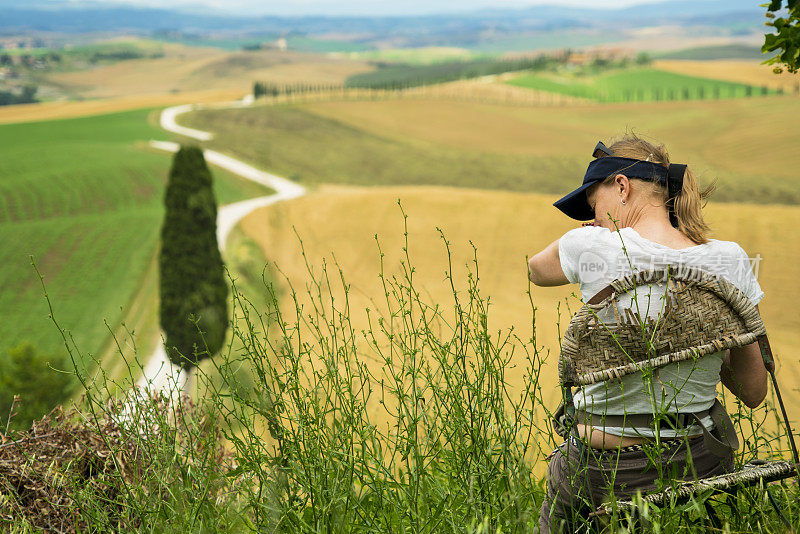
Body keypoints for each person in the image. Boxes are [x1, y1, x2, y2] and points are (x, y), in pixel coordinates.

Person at [527, 133, 768, 533]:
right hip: (698, 467)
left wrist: (592, 235)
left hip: (604, 473)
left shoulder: (591, 245)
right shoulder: (731, 259)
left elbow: (535, 270)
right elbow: (754, 391)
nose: (595, 216)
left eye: (594, 204)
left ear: (621, 186)